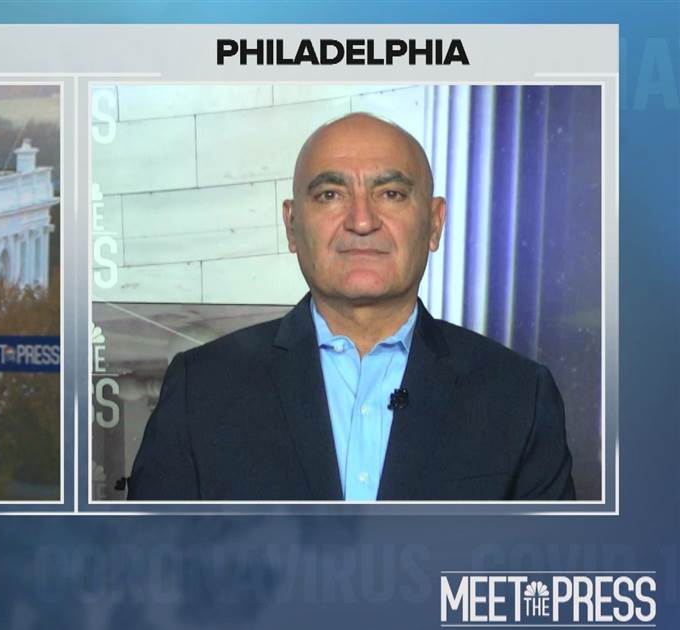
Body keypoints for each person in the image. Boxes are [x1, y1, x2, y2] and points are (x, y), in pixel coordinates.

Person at [128, 113, 575, 501]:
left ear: (434, 223)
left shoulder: (519, 396)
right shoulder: (201, 389)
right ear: (291, 225)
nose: (362, 221)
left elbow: (544, 570)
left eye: (391, 194)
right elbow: (149, 565)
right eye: (330, 195)